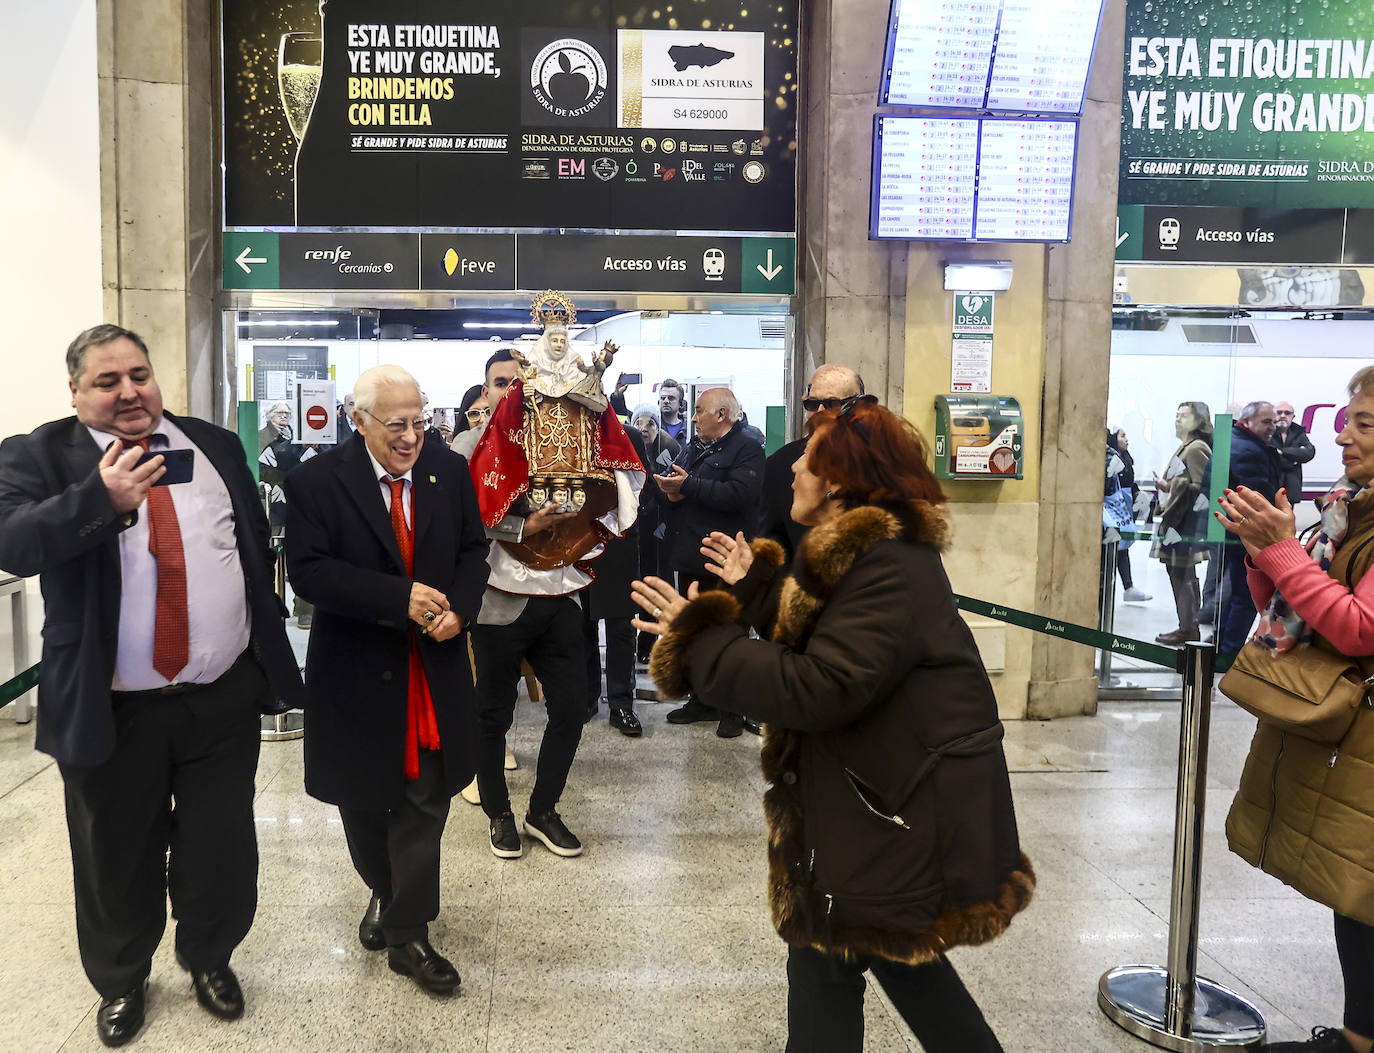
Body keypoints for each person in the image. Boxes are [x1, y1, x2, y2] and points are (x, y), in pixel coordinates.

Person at [630, 394, 1032, 1053]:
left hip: (895, 808)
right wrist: (760, 585)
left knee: (878, 952)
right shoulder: (863, 555)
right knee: (838, 949)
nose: (791, 471)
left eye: (807, 462)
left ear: (840, 481)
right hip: (868, 800)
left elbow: (822, 683)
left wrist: (700, 641)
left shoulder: (889, 566)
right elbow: (825, 639)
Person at [0, 324, 305, 1047]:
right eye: (107, 381)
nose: (129, 390)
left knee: (220, 844)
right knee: (116, 853)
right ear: (75, 391)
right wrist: (97, 499)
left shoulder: (212, 443)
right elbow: (11, 539)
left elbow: (250, 547)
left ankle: (209, 956)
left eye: (139, 373)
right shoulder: (40, 454)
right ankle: (123, 977)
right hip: (111, 707)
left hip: (219, 696)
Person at [283, 365, 490, 996]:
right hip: (356, 674)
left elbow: (472, 552)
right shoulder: (316, 482)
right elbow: (311, 574)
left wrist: (460, 608)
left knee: (426, 801)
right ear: (357, 419)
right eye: (395, 425)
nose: (410, 438)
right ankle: (382, 887)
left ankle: (408, 934)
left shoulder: (448, 472)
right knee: (364, 803)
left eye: (419, 422)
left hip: (432, 670)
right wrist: (395, 597)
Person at [1220, 367, 1374, 1053]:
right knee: (1356, 889)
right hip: (1351, 734)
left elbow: (1358, 627)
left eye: (1364, 424)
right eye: (1348, 419)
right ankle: (1358, 1032)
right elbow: (1294, 612)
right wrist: (1266, 555)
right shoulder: (1349, 508)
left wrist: (1284, 555)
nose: (1343, 434)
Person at [461, 338, 643, 859]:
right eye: (503, 382)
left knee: (570, 708)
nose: (513, 389)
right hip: (498, 599)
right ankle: (498, 812)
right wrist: (521, 524)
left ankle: (543, 808)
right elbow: (462, 524)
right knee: (492, 714)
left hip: (563, 594)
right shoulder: (468, 447)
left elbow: (607, 483)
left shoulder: (571, 429)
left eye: (520, 379)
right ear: (490, 388)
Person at [656, 386, 765, 737]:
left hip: (726, 560)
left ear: (722, 415)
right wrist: (672, 493)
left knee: (729, 633)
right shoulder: (693, 447)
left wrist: (689, 487)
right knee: (697, 632)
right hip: (692, 555)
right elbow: (686, 491)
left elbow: (740, 495)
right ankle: (702, 698)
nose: (695, 417)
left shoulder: (747, 447)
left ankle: (733, 708)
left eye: (701, 410)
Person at [581, 424, 655, 738]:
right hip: (577, 539)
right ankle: (585, 697)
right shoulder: (569, 434)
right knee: (579, 623)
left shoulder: (627, 436)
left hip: (618, 540)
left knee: (621, 626)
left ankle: (622, 702)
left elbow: (645, 486)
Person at [758, 364, 863, 563]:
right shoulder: (781, 464)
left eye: (832, 403)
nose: (820, 412)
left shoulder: (880, 459)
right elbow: (772, 541)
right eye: (813, 404)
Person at [1217, 401, 1282, 653]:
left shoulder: (1240, 443)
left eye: (1274, 422)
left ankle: (1221, 646)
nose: (1272, 428)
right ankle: (1229, 652)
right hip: (1244, 534)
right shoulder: (1249, 450)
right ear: (1249, 421)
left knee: (1234, 594)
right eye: (1267, 422)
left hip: (1234, 531)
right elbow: (1261, 497)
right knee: (1244, 597)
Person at [1151, 401, 1213, 644]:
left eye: (1184, 416)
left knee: (1182, 575)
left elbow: (1201, 486)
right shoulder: (1186, 447)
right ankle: (1187, 626)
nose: (1178, 420)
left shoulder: (1195, 448)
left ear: (1198, 420)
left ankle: (1188, 627)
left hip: (1184, 524)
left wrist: (1170, 486)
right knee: (1178, 573)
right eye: (1177, 415)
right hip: (1178, 522)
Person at [1105, 429, 1150, 602]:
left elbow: (1129, 483)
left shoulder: (1124, 459)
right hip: (1114, 509)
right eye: (1122, 435)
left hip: (1124, 508)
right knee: (1117, 549)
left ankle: (1128, 587)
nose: (1126, 439)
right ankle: (1124, 587)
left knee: (1122, 549)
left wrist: (1138, 494)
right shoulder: (1111, 460)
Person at [1272, 400, 1317, 506]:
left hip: (1291, 489)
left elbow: (1309, 452)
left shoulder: (1299, 432)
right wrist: (1294, 457)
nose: (1283, 415)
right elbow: (1267, 454)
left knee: (1287, 521)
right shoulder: (1266, 431)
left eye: (1287, 413)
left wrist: (1281, 451)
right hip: (1269, 488)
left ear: (1293, 416)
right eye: (1279, 412)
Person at [657, 378, 688, 443]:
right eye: (663, 398)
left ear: (681, 403)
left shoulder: (689, 429)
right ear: (658, 402)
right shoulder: (653, 428)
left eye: (671, 398)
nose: (666, 401)